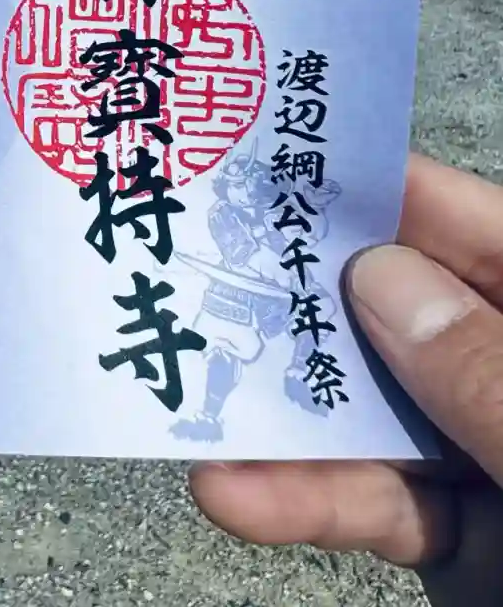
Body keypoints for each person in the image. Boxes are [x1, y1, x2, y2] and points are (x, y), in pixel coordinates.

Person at [189, 153, 503, 602]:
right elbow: (250, 253)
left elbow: (303, 239)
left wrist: (307, 211)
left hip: (279, 291)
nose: (246, 189)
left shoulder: (267, 207)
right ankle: (210, 412)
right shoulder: (224, 214)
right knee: (226, 353)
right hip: (239, 291)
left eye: (249, 182)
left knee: (315, 313)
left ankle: (298, 372)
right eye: (238, 183)